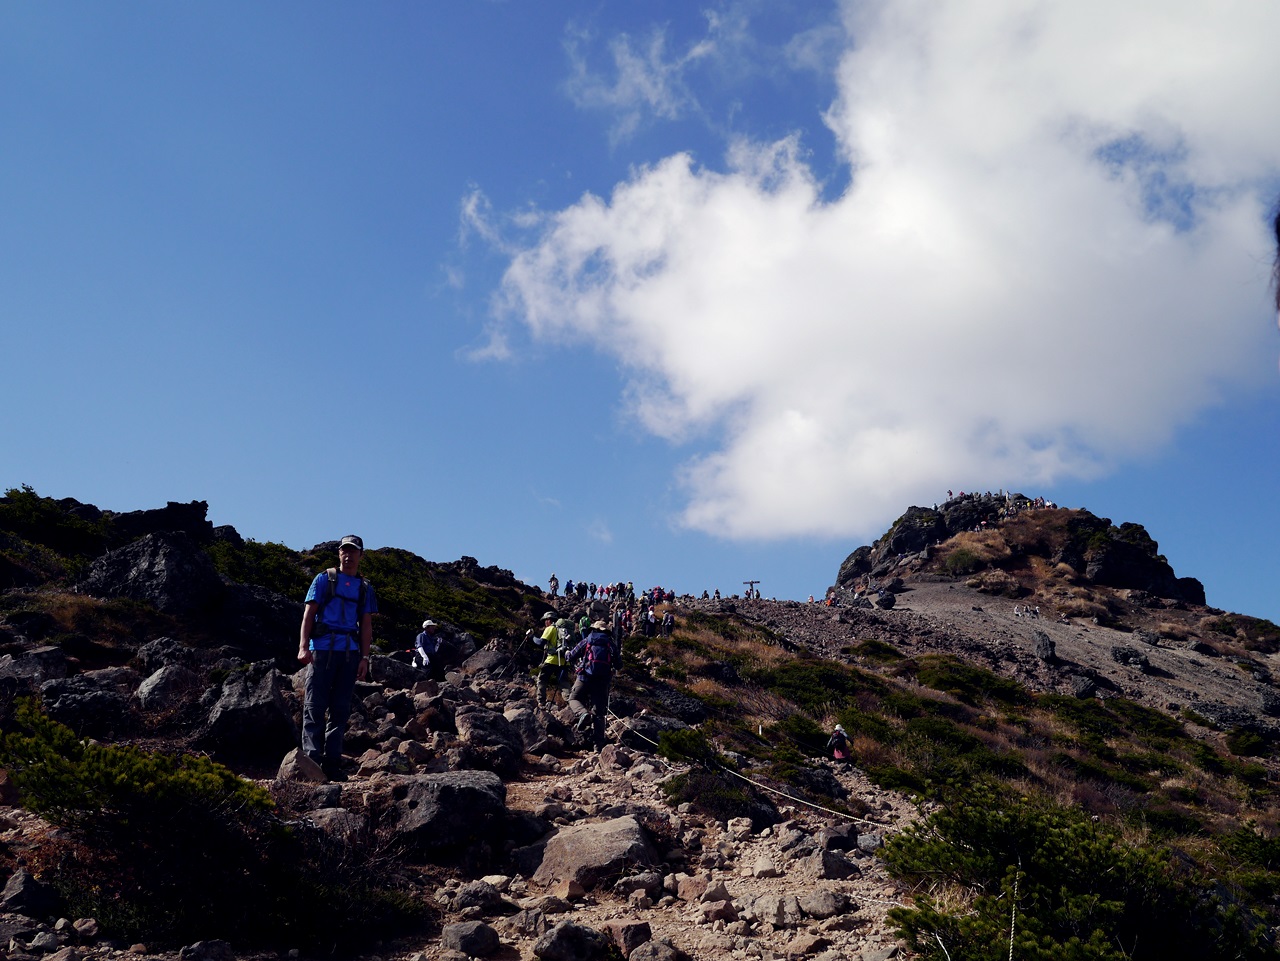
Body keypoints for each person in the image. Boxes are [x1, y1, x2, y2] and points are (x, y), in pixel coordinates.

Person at [298, 534, 378, 782]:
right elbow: (308, 614)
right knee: (314, 705)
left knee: (340, 709)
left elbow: (366, 626)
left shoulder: (365, 589)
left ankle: (332, 763)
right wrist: (303, 646)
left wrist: (365, 657)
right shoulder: (324, 579)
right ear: (339, 553)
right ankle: (312, 763)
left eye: (353, 551)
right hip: (322, 650)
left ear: (361, 555)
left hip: (349, 653)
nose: (348, 555)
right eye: (345, 550)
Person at [568, 620, 615, 751]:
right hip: (602, 681)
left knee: (573, 698)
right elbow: (619, 664)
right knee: (599, 713)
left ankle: (583, 713)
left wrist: (567, 655)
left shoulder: (587, 640)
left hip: (584, 677)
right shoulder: (610, 644)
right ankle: (598, 746)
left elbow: (572, 655)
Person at [533, 612, 567, 707]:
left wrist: (532, 637)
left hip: (552, 660)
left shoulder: (550, 628)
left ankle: (541, 701)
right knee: (564, 684)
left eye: (545, 620)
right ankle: (571, 702)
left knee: (542, 679)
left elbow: (540, 642)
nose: (545, 623)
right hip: (563, 661)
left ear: (549, 620)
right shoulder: (564, 630)